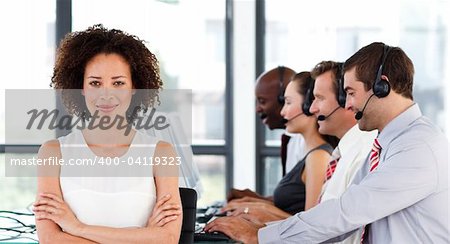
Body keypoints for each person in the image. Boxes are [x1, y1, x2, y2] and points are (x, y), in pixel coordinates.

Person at [224, 42, 448, 244]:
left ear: (382, 87)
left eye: (350, 93)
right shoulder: (386, 144)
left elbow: (347, 212)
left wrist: (259, 236)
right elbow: (336, 216)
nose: (348, 104)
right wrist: (262, 230)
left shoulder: (418, 147)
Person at [33, 24, 183, 243]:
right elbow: (50, 239)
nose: (106, 94)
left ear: (134, 87)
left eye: (118, 83)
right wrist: (141, 237)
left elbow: (168, 238)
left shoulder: (161, 153)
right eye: (95, 83)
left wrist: (76, 228)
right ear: (81, 87)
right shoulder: (53, 152)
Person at [205, 72, 338, 234]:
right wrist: (257, 206)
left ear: (307, 106)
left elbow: (309, 227)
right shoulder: (311, 154)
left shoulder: (318, 157)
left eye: (288, 103)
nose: (282, 112)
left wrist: (257, 212)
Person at [309, 60, 377, 243]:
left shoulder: (362, 156)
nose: (311, 108)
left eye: (320, 98)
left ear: (345, 99)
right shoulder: (343, 153)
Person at [227, 66, 306, 201]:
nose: (257, 109)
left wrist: (254, 209)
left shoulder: (308, 144)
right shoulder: (293, 139)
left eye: (262, 101)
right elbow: (294, 202)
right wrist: (257, 200)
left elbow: (306, 213)